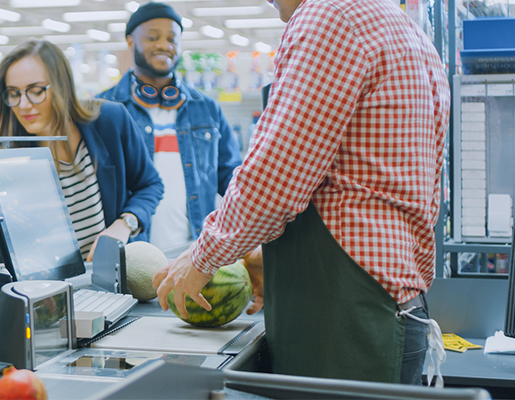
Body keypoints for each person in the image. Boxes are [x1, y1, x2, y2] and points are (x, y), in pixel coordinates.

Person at [154, 0, 450, 385]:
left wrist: (203, 257)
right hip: (391, 308)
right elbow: (362, 188)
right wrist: (268, 259)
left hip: (344, 322)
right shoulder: (405, 29)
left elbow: (274, 176)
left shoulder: (329, 16)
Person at [0, 39, 163, 261]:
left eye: (36, 90)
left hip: (114, 278)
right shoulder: (9, 157)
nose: (23, 105)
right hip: (49, 286)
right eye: (13, 93)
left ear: (61, 86)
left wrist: (124, 224)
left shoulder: (110, 121)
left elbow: (150, 185)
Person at [97, 2, 242, 259]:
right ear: (131, 42)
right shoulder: (104, 110)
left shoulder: (206, 109)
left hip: (195, 254)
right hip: (132, 254)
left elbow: (232, 180)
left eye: (172, 38)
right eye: (153, 37)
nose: (164, 45)